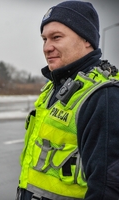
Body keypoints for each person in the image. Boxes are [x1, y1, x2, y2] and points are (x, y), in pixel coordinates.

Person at [16, 1, 119, 200]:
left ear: (86, 40)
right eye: (44, 39)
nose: (47, 47)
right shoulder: (54, 87)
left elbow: (108, 189)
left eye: (56, 37)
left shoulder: (103, 96)